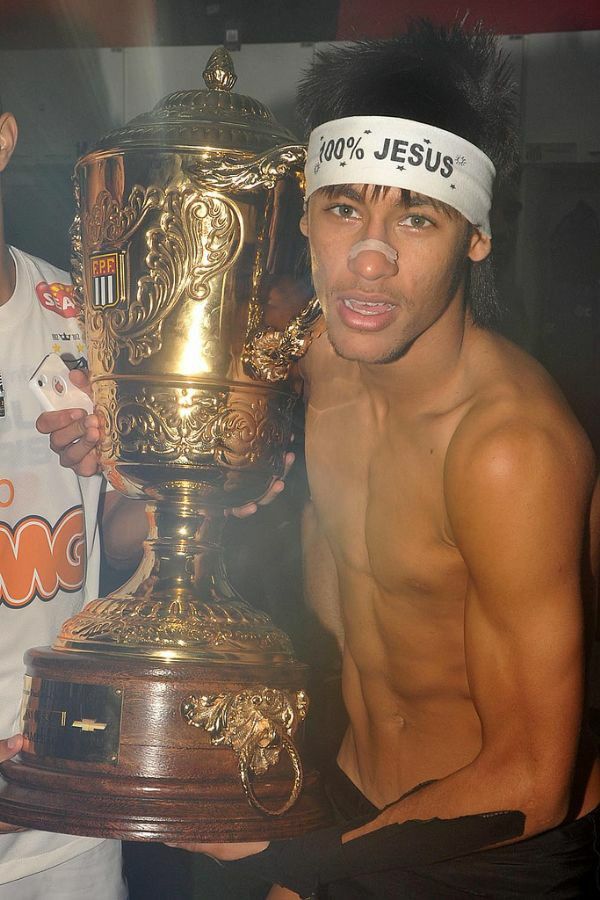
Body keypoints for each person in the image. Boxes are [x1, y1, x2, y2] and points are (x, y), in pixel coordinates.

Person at [47, 21, 600, 898]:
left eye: (415, 217)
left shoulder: (508, 451)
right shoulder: (310, 358)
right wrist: (114, 434)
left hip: (489, 852)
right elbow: (185, 418)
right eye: (345, 209)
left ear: (476, 235)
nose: (370, 260)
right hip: (344, 798)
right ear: (305, 217)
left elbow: (534, 780)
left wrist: (285, 859)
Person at [0, 101, 146, 898]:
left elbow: (122, 527)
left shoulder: (84, 316)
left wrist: (182, 485)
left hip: (67, 803)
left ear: (2, 139)